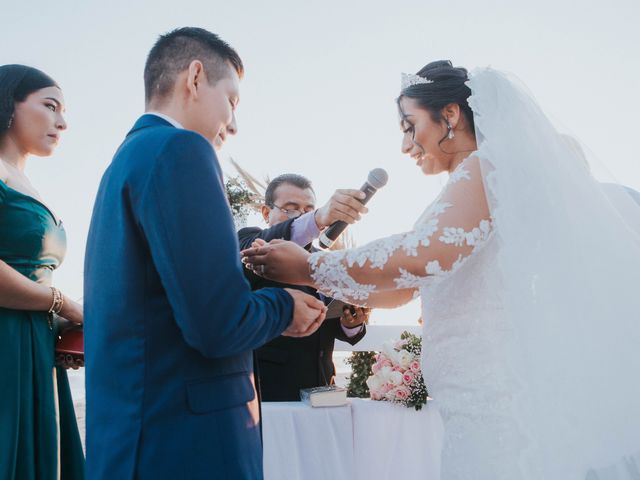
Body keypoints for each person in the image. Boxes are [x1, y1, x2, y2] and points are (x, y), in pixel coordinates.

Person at [243, 61, 640, 479]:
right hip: (469, 402)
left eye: (409, 125)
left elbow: (423, 254)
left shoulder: (488, 167)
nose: (405, 145)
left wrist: (310, 265)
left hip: (498, 396)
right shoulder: (465, 187)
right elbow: (404, 287)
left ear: (449, 115)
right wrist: (319, 280)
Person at [83, 28, 326, 479]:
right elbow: (218, 324)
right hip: (185, 442)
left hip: (134, 436)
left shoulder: (127, 159)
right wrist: (283, 305)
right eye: (232, 101)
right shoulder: (181, 150)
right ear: (195, 77)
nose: (233, 124)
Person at [0, 64, 84, 479]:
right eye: (50, 106)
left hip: (32, 339)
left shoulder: (24, 181)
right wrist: (63, 302)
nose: (62, 122)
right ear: (8, 105)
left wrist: (60, 323)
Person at [239, 173, 368, 401]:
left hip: (323, 388)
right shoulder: (251, 239)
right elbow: (261, 251)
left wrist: (352, 324)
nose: (301, 215)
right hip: (273, 389)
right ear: (266, 212)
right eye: (291, 209)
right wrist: (316, 219)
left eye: (309, 209)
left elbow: (332, 327)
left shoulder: (324, 259)